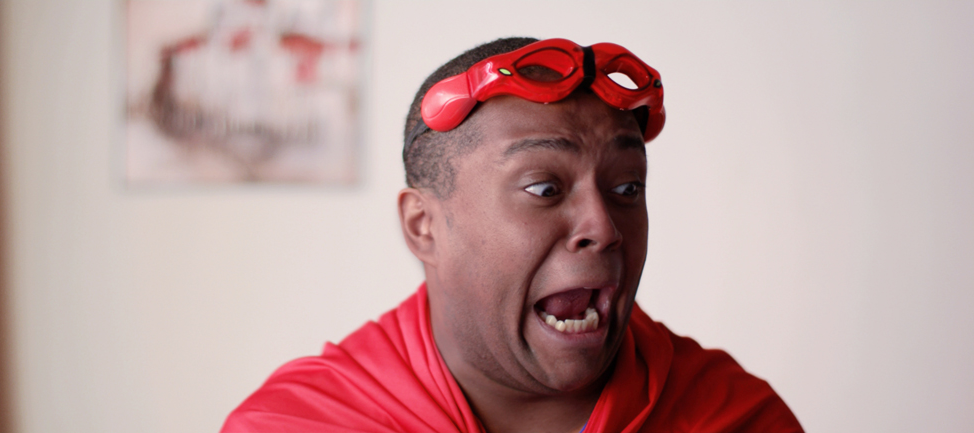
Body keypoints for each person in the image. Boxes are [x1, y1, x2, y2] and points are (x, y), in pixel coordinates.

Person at [221, 37, 804, 433]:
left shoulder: (732, 416)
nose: (604, 228)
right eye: (544, 189)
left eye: (627, 188)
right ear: (424, 226)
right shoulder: (299, 422)